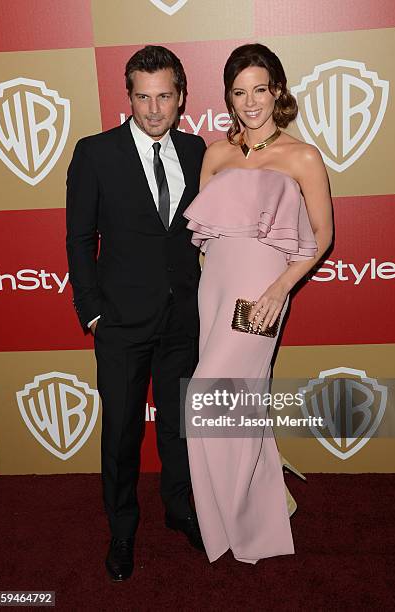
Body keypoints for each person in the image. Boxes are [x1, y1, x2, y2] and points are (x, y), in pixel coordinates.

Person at [183, 43, 333, 564]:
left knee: (210, 396)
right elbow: (206, 234)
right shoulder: (216, 154)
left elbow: (322, 235)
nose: (251, 102)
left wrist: (278, 290)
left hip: (262, 292)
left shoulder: (301, 156)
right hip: (216, 288)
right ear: (229, 96)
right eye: (239, 91)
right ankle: (263, 499)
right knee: (237, 402)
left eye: (260, 89)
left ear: (278, 91)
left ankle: (245, 518)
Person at [66, 45, 206, 581]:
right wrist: (93, 312)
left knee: (181, 427)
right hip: (121, 323)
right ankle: (121, 529)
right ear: (128, 97)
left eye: (164, 97)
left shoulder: (198, 152)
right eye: (142, 97)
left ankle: (179, 508)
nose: (153, 110)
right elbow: (80, 239)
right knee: (121, 433)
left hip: (183, 322)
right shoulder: (95, 153)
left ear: (180, 98)